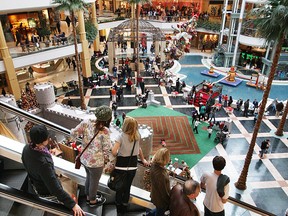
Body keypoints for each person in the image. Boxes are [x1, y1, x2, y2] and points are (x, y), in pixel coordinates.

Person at [21, 125, 85, 216]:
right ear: (44, 141)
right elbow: (55, 189)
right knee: (56, 209)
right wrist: (73, 205)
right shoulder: (44, 164)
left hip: (35, 185)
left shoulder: (27, 148)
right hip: (46, 191)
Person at [71, 105, 112, 206]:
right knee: (94, 182)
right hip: (96, 163)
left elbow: (73, 132)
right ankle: (92, 201)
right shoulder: (105, 131)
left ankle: (88, 196)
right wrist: (106, 161)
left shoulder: (86, 122)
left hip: (85, 158)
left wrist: (76, 139)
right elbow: (107, 149)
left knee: (88, 177)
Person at [111, 117, 149, 215]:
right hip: (133, 166)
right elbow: (139, 149)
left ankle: (119, 209)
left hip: (121, 166)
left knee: (119, 188)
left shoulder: (121, 136)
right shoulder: (137, 136)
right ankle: (124, 207)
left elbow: (114, 152)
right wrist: (143, 159)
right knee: (127, 188)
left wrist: (121, 152)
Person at [150, 148, 171, 216]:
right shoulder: (161, 175)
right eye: (168, 156)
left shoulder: (154, 165)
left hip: (155, 195)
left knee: (157, 210)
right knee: (159, 213)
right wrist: (169, 202)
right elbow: (163, 192)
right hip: (160, 201)